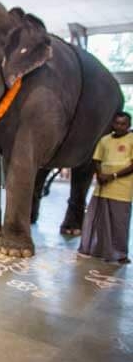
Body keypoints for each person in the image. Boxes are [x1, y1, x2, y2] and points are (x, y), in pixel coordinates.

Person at [79, 112, 133, 264]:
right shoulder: (105, 140)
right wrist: (100, 174)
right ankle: (94, 249)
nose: (119, 126)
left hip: (121, 190)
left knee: (119, 222)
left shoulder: (131, 139)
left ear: (129, 125)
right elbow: (97, 159)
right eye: (116, 123)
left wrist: (113, 176)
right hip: (102, 186)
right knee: (97, 219)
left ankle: (119, 254)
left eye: (123, 124)